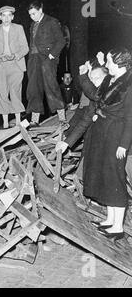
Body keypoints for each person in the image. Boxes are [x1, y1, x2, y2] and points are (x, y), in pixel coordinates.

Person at [56, 48, 132, 241]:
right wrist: (83, 75)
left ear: (119, 64)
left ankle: (117, 227)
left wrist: (123, 144)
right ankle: (109, 220)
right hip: (102, 134)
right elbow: (94, 98)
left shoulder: (128, 85)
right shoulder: (110, 80)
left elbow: (131, 119)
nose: (106, 65)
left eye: (109, 62)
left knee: (115, 179)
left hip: (116, 136)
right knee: (106, 178)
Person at [25, 0, 67, 128]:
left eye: (34, 14)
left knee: (51, 85)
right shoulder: (32, 25)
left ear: (40, 10)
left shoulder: (52, 21)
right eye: (30, 15)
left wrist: (51, 55)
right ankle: (34, 120)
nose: (32, 17)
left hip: (47, 58)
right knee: (33, 88)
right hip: (34, 58)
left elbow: (61, 41)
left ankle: (62, 118)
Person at [0, 5, 29, 129]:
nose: (6, 18)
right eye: (3, 15)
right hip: (0, 66)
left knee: (15, 92)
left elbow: (25, 48)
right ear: (0, 17)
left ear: (13, 17)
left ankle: (17, 122)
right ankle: (5, 123)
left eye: (9, 15)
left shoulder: (19, 28)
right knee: (1, 93)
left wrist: (16, 55)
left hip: (16, 64)